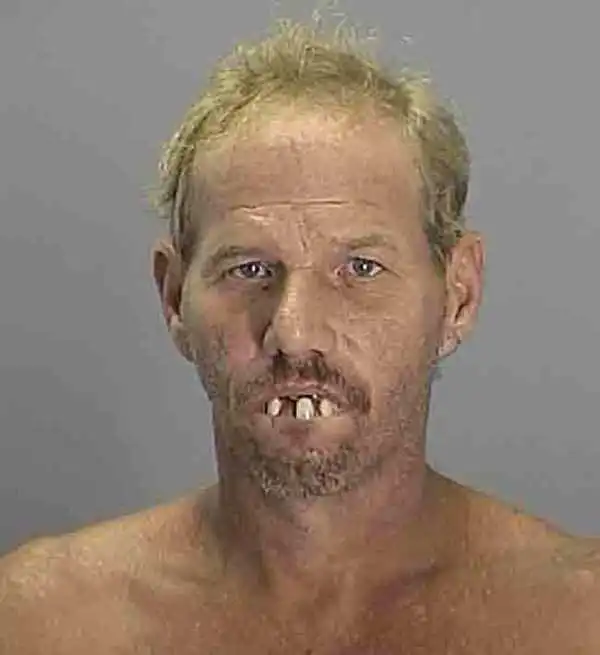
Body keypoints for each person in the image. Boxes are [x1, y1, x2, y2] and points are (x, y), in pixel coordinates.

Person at [1, 17, 599, 654]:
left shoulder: (578, 621)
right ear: (174, 297)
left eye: (360, 269)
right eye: (249, 270)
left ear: (459, 295)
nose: (293, 332)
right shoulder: (37, 624)